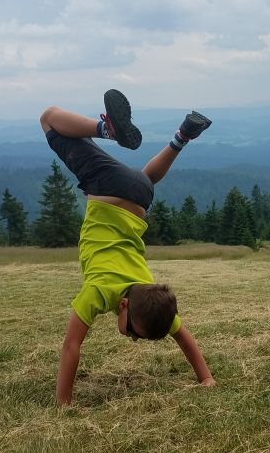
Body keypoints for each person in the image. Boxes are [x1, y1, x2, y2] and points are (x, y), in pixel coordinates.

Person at [40, 89, 216, 406]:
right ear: (124, 307)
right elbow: (70, 346)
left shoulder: (149, 294)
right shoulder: (99, 290)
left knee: (145, 178)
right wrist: (63, 405)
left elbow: (182, 336)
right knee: (50, 119)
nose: (133, 338)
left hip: (141, 195)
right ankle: (106, 130)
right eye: (135, 332)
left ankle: (182, 136)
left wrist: (207, 378)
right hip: (108, 188)